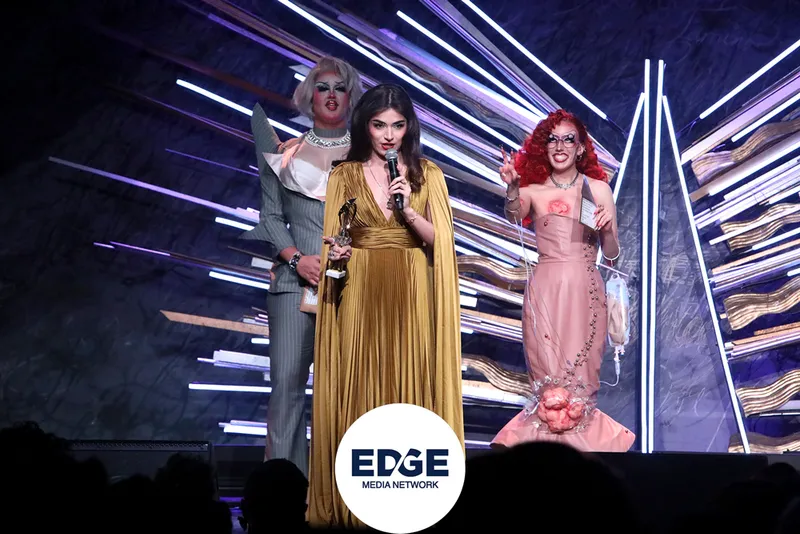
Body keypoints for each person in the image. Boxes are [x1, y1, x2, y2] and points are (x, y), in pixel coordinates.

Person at [307, 83, 465, 528]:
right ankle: (359, 501)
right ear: (366, 126)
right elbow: (336, 241)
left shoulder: (428, 174)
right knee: (362, 381)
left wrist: (409, 210)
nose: (389, 135)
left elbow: (442, 244)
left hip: (413, 287)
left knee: (410, 380)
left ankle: (412, 502)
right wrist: (338, 255)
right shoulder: (344, 175)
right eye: (379, 125)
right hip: (361, 287)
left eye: (397, 125)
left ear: (408, 127)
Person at [240, 56, 363, 476]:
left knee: (348, 391)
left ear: (351, 97)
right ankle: (282, 493)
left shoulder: (368, 157)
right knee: (287, 390)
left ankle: (341, 491)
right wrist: (297, 259)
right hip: (293, 287)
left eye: (339, 87)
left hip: (353, 285)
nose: (331, 95)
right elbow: (271, 218)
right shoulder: (285, 154)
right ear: (309, 96)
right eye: (323, 87)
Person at [492, 109, 635, 453]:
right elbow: (514, 213)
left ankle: (582, 465)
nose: (560, 146)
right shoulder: (533, 191)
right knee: (548, 383)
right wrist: (512, 187)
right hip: (545, 290)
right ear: (544, 146)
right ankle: (544, 462)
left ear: (581, 147)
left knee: (580, 381)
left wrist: (607, 228)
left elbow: (612, 254)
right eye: (552, 139)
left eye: (568, 139)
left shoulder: (597, 189)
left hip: (585, 291)